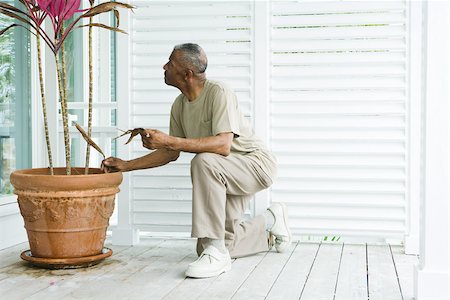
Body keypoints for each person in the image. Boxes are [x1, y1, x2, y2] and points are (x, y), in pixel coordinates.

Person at [102, 43, 291, 278]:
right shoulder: (179, 105)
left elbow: (223, 145)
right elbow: (170, 152)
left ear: (187, 74)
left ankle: (217, 254)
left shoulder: (218, 93)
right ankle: (270, 221)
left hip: (254, 164)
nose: (164, 66)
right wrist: (126, 165)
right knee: (213, 245)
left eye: (170, 63)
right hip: (223, 172)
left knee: (204, 161)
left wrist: (171, 141)